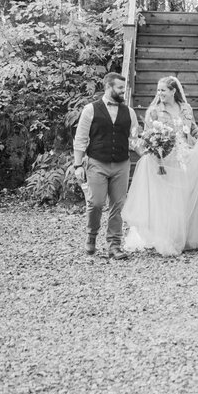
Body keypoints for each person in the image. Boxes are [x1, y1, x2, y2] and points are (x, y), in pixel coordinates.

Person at [122, 76, 198, 256]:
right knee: (166, 199)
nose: (159, 93)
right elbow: (148, 134)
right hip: (163, 160)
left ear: (173, 91)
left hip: (185, 158)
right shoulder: (154, 111)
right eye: (158, 90)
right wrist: (156, 148)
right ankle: (167, 237)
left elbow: (193, 128)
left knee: (183, 196)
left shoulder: (186, 109)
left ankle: (183, 236)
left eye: (163, 90)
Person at [72, 72, 139, 259]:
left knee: (118, 205)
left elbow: (134, 140)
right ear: (108, 87)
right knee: (96, 203)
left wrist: (152, 153)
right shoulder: (90, 110)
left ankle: (114, 245)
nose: (123, 92)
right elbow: (80, 139)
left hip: (121, 164)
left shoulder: (130, 112)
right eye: (119, 88)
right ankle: (91, 236)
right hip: (97, 163)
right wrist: (78, 165)